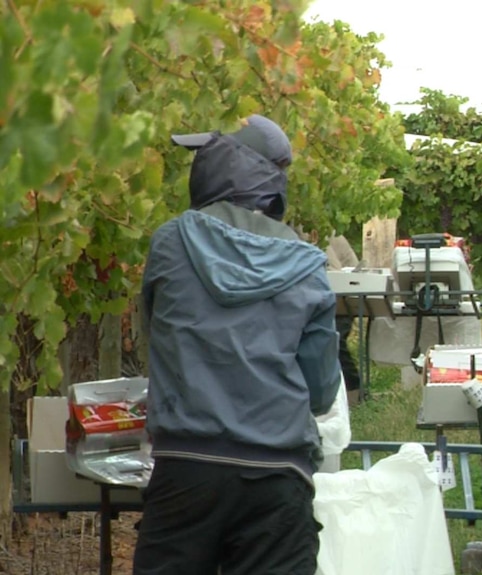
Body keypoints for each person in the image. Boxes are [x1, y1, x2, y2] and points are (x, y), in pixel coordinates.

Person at [134, 114, 342, 575]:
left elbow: (157, 335)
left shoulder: (170, 243)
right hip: (277, 476)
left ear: (221, 167)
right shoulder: (307, 264)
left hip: (186, 467)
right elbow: (322, 392)